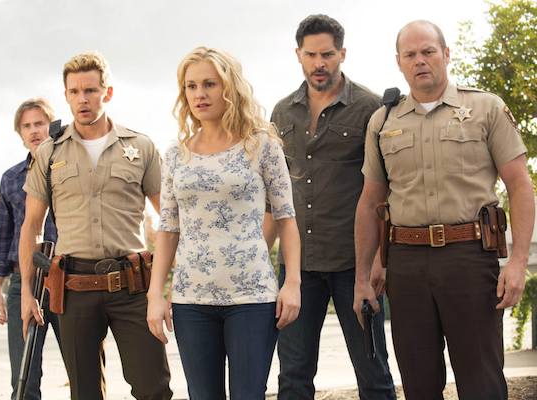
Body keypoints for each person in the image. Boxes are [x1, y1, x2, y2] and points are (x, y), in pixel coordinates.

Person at [354, 20, 534, 400]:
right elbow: (370, 202)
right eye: (410, 54)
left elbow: (520, 185)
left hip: (469, 258)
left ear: (446, 54)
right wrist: (362, 276)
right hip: (406, 264)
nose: (420, 61)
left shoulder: (485, 108)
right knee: (418, 383)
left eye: (428, 51)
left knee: (481, 382)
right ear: (399, 62)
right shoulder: (383, 122)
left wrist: (518, 262)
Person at [146, 46, 301, 400]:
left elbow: (286, 218)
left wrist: (292, 283)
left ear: (229, 87)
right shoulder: (175, 155)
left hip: (252, 296)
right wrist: (156, 294)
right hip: (191, 299)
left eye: (209, 84)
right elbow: (167, 229)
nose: (199, 94)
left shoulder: (262, 146)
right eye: (191, 86)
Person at [19, 51, 172, 400]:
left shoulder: (141, 147)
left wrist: (164, 287)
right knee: (85, 393)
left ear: (108, 92)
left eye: (90, 90)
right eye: (74, 92)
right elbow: (31, 226)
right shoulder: (50, 153)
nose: (82, 99)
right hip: (74, 288)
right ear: (66, 95)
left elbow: (170, 219)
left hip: (133, 286)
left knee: (153, 388)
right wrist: (28, 291)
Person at [264, 14, 395, 399]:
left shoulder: (370, 107)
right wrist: (259, 256)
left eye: (327, 54)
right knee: (293, 376)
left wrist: (379, 260)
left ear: (342, 53)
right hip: (297, 267)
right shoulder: (282, 112)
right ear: (298, 55)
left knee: (373, 372)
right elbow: (274, 195)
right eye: (311, 55)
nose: (319, 63)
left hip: (355, 264)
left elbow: (387, 190)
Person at [0, 98, 62, 400]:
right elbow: (2, 235)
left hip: (68, 277)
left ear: (51, 126)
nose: (34, 131)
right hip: (25, 280)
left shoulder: (70, 169)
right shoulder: (11, 178)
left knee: (84, 373)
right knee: (23, 376)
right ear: (19, 132)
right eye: (27, 126)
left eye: (39, 123)